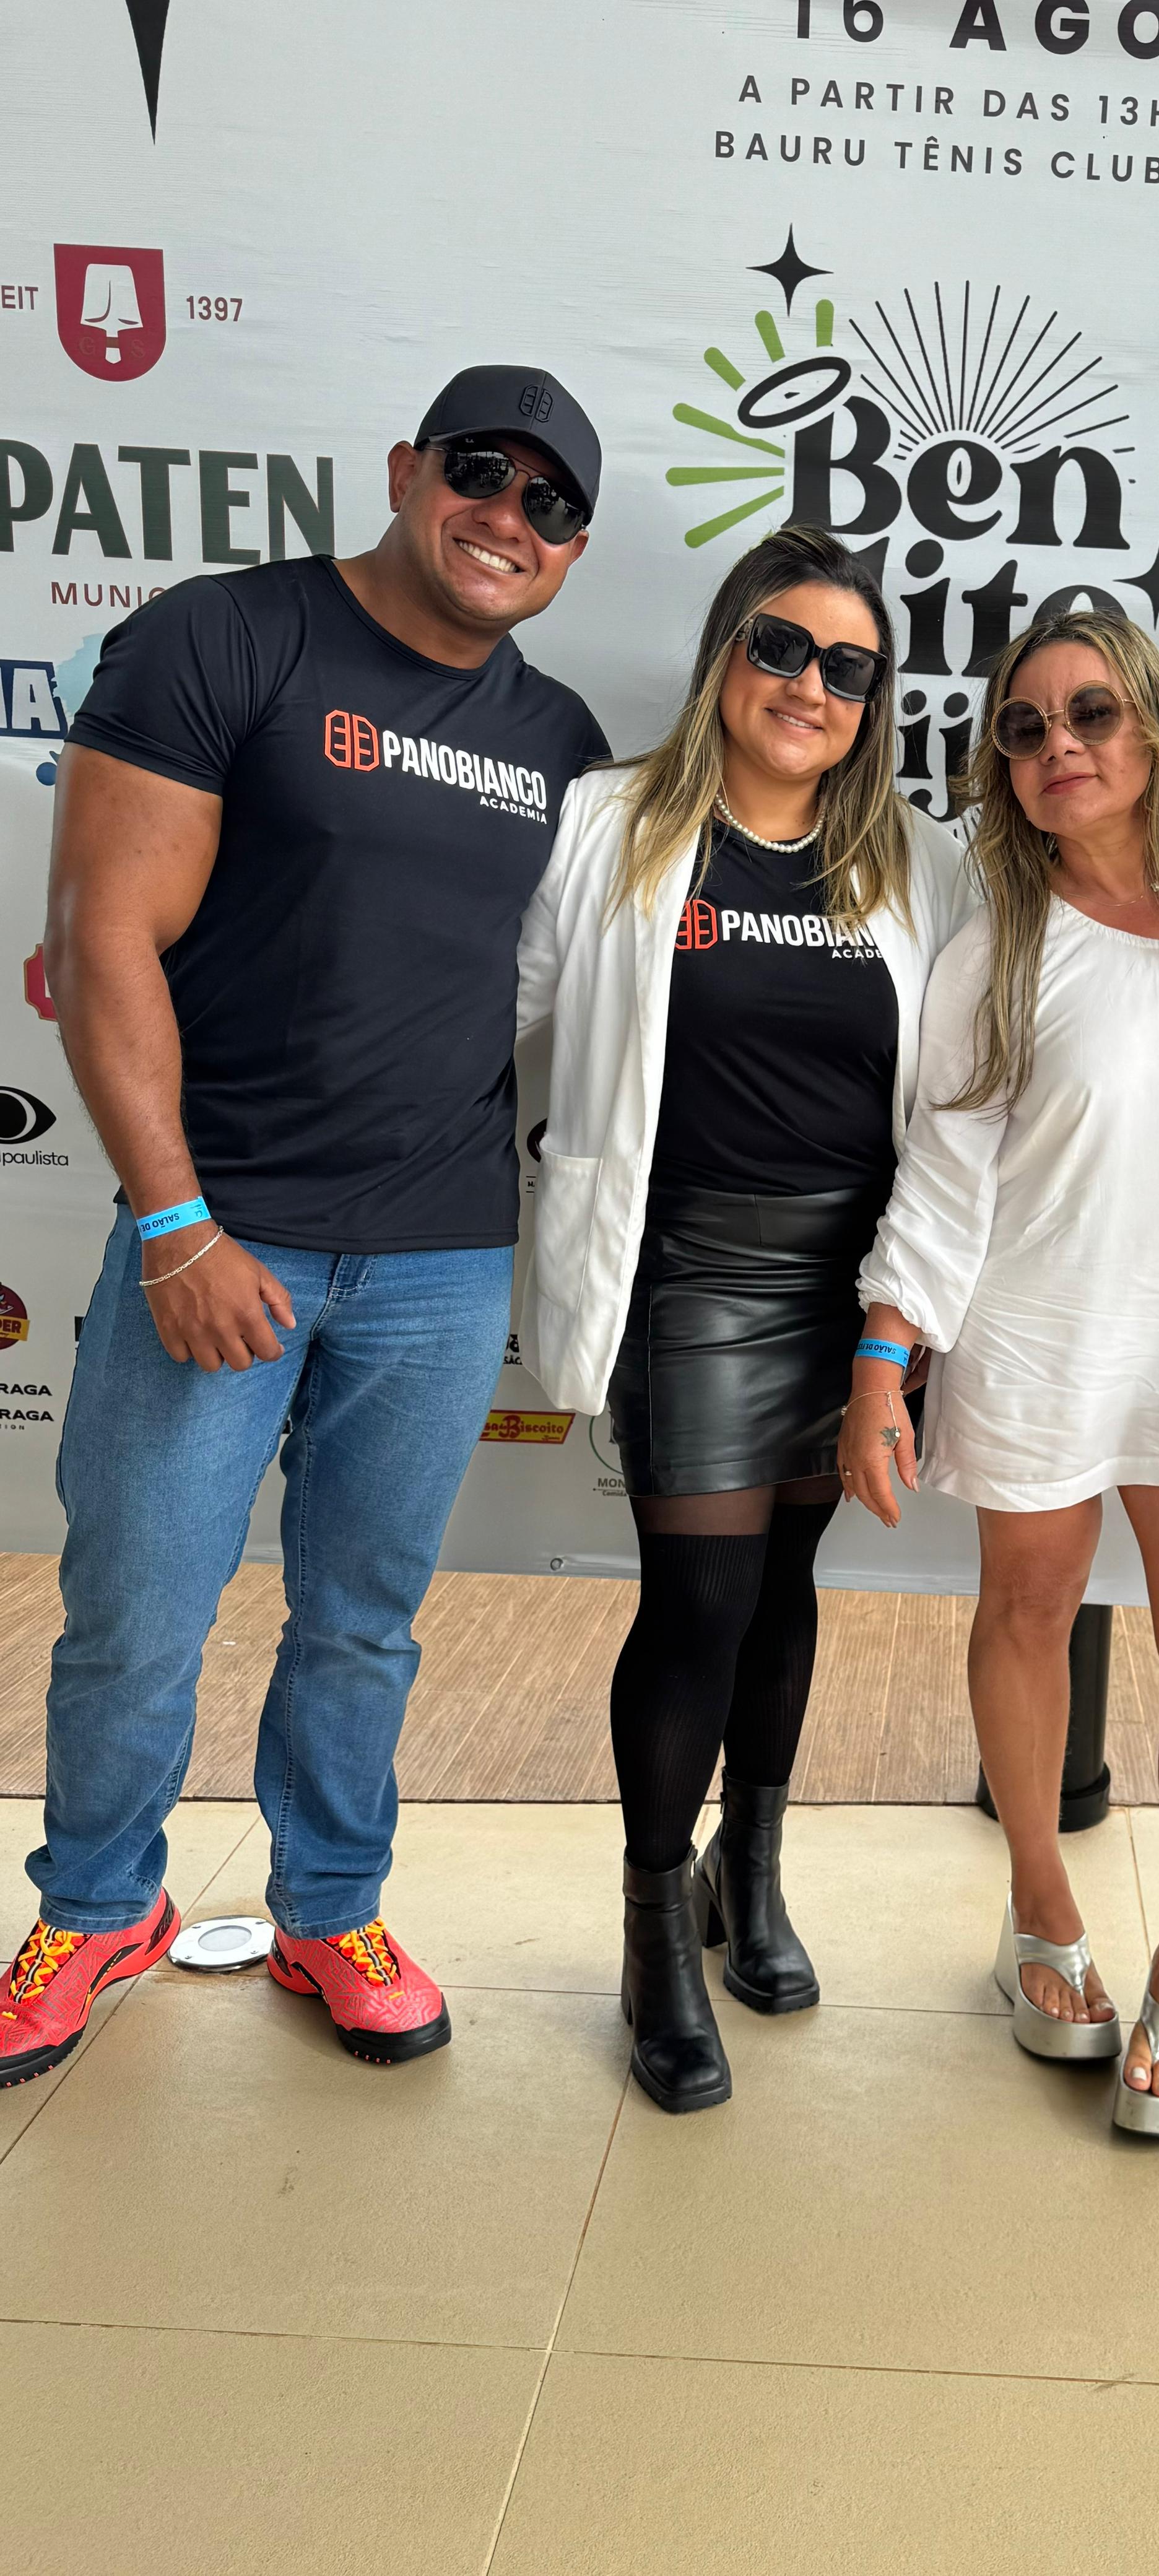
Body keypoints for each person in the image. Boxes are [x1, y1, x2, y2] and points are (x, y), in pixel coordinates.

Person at [2, 368, 608, 2081]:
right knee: (138, 1609)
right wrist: (180, 1224)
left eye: (553, 505)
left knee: (362, 1620)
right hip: (225, 1236)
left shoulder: (560, 740)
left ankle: (330, 1908)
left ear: (574, 550)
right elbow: (99, 933)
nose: (508, 518)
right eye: (481, 472)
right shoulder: (223, 638)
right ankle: (97, 1904)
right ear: (409, 470)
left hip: (441, 1256)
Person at [840, 609, 1159, 2139]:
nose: (1058, 746)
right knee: (1026, 1612)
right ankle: (1039, 1903)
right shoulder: (996, 948)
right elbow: (946, 1174)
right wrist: (884, 1358)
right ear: (999, 768)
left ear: (1154, 728)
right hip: (1040, 1329)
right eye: (1024, 729)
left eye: (1090, 713)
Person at [514, 524, 974, 2115]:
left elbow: (960, 1099)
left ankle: (748, 1874)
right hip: (691, 1266)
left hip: (857, 1283)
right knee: (700, 1598)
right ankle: (653, 1932)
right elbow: (498, 1012)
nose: (810, 685)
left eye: (850, 668)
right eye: (781, 646)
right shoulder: (610, 825)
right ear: (725, 652)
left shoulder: (921, 862)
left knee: (785, 1584)